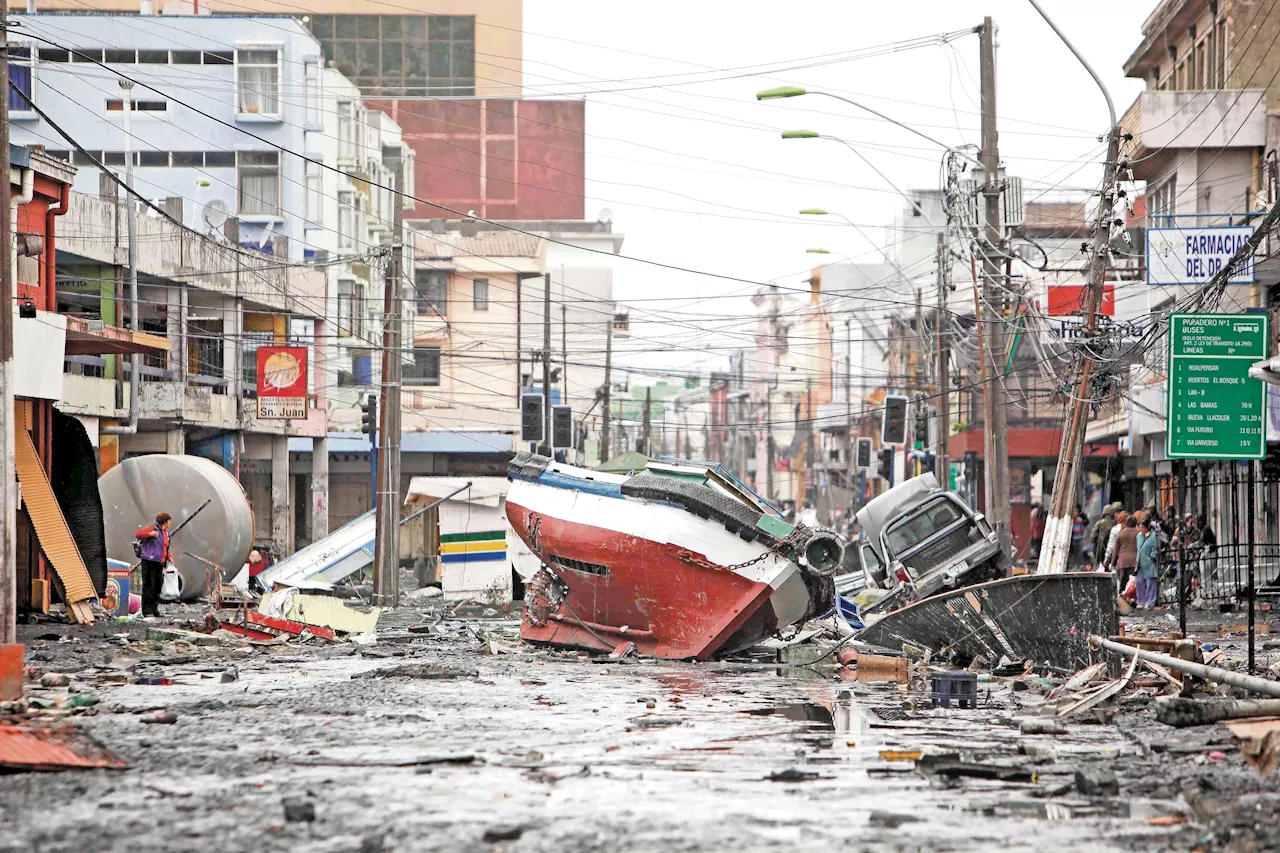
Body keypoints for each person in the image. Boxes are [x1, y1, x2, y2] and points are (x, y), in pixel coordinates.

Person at [134, 511, 172, 618]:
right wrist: (150, 534)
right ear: (164, 521)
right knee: (148, 586)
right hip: (149, 561)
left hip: (160, 562)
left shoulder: (167, 533)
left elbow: (164, 547)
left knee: (157, 587)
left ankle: (154, 609)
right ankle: (146, 610)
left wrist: (169, 556)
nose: (170, 523)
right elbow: (138, 534)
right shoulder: (153, 528)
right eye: (169, 521)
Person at [1136, 517, 1160, 608]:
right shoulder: (1139, 536)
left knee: (1150, 583)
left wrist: (1152, 557)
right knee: (1139, 582)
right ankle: (1141, 601)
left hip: (1149, 563)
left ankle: (1150, 602)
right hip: (1140, 562)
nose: (1141, 529)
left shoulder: (1153, 536)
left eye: (1142, 527)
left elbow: (1155, 548)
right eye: (1140, 527)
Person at [1113, 515, 1140, 596]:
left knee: (1123, 583)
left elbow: (1116, 550)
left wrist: (1113, 562)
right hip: (1134, 561)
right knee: (1133, 583)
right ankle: (1133, 599)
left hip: (1122, 562)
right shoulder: (1138, 533)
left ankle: (1122, 599)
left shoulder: (1120, 534)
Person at [1091, 503, 1118, 569]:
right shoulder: (1115, 523)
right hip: (1113, 550)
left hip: (1100, 550)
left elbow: (1093, 537)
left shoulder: (1099, 523)